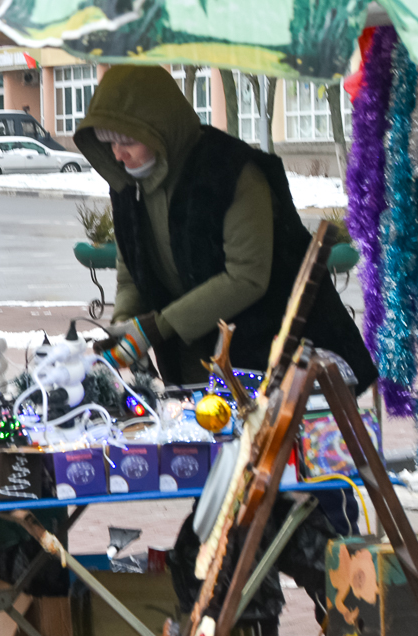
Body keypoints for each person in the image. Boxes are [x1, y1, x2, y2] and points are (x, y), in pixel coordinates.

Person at [73, 65, 377, 392]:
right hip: (192, 363)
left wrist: (156, 327)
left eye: (127, 140)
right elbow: (131, 272)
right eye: (109, 143)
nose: (118, 155)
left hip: (274, 360)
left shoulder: (229, 173)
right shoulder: (129, 187)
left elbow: (247, 275)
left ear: (159, 127)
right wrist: (125, 325)